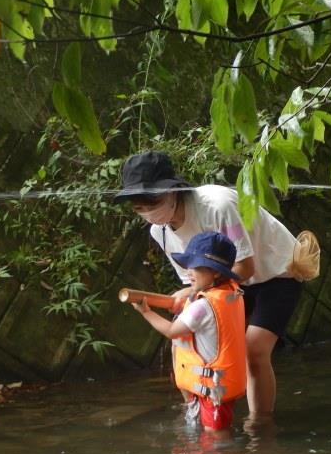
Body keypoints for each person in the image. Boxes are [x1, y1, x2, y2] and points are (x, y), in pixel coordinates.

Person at [115, 151, 301, 423]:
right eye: (139, 209)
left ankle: (260, 427)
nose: (148, 214)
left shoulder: (217, 206)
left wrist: (192, 293)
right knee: (186, 344)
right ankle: (201, 412)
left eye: (152, 203)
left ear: (173, 192)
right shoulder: (160, 231)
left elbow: (244, 267)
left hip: (276, 271)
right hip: (223, 285)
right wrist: (188, 298)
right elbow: (191, 280)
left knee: (254, 351)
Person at [130, 231, 246, 432]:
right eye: (188, 265)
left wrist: (146, 312)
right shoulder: (230, 293)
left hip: (212, 390)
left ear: (216, 272)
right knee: (212, 435)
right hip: (218, 385)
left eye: (196, 267)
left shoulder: (203, 307)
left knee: (215, 441)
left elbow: (172, 331)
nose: (189, 272)